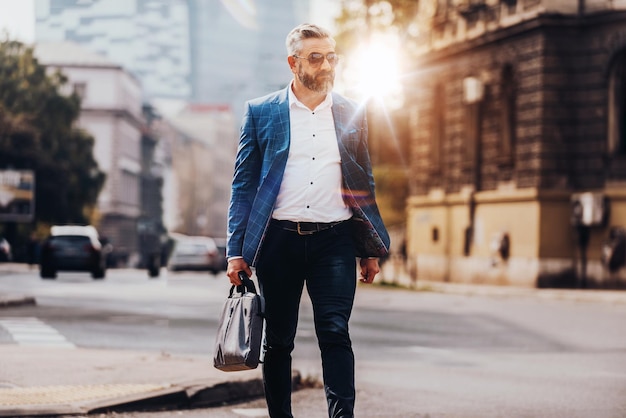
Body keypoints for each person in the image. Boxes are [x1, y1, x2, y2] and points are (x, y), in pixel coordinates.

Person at [226, 23, 390, 418]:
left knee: (335, 332)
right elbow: (243, 186)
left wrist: (368, 249)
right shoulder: (262, 111)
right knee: (279, 341)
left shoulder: (352, 111)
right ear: (293, 63)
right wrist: (236, 251)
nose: (326, 65)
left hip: (333, 241)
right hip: (278, 241)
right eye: (315, 57)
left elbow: (361, 181)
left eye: (331, 56)